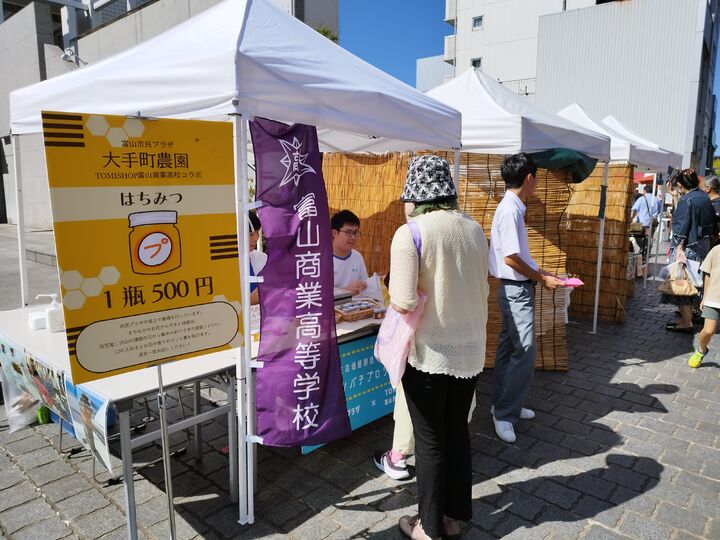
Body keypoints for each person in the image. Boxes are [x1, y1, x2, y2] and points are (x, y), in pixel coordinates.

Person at [391, 155, 489, 540]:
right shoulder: (475, 229)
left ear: (414, 194)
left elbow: (401, 301)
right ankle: (453, 517)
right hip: (471, 351)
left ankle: (429, 529)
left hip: (429, 353)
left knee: (430, 441)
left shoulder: (411, 232)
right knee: (457, 434)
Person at [488, 153, 563, 444]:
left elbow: (516, 256)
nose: (537, 184)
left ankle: (504, 406)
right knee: (524, 349)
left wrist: (541, 272)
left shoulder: (512, 207)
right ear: (529, 178)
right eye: (537, 178)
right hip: (514, 289)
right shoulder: (510, 210)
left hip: (515, 288)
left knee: (510, 348)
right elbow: (510, 258)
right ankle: (505, 413)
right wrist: (541, 277)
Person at [663, 169, 716, 333]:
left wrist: (679, 246)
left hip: (688, 247)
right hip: (703, 245)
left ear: (681, 184)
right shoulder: (704, 197)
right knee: (694, 282)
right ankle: (689, 317)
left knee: (683, 283)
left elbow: (681, 225)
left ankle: (686, 322)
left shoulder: (687, 200)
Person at [688, 242, 720, 368]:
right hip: (714, 296)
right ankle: (701, 350)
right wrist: (705, 297)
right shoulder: (716, 250)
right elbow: (707, 273)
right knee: (708, 331)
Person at [331, 210, 369, 295]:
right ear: (334, 233)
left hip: (356, 306)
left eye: (355, 233)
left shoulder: (357, 256)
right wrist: (346, 291)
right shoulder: (322, 259)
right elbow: (320, 295)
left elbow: (365, 287)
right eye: (348, 232)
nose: (353, 237)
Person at [248, 211, 266, 306]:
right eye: (250, 234)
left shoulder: (263, 258)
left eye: (257, 233)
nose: (256, 238)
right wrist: (250, 301)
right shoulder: (223, 265)